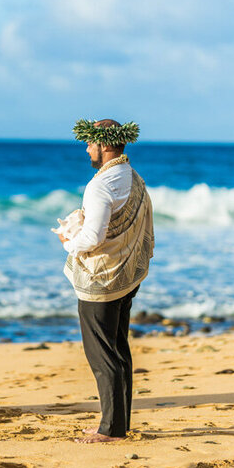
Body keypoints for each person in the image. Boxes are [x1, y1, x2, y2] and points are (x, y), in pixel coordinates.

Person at [58, 118, 154, 443]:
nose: (87, 150)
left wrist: (68, 241)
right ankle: (118, 422)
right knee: (118, 348)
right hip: (125, 277)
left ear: (105, 145)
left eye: (90, 143)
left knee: (101, 354)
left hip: (101, 280)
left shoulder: (100, 185)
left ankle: (111, 430)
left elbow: (94, 237)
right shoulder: (133, 177)